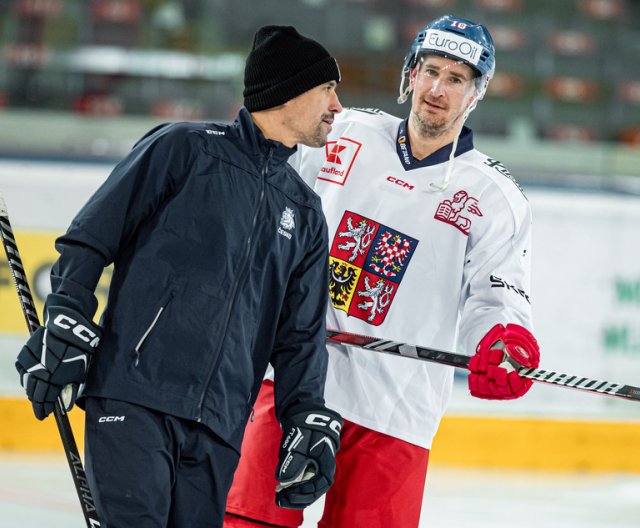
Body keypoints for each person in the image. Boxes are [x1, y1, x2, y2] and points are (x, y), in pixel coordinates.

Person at [14, 25, 345, 527]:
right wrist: (65, 314)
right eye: (327, 90)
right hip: (135, 396)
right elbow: (90, 238)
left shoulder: (304, 211)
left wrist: (306, 416)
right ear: (289, 92)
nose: (337, 107)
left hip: (219, 425)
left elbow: (300, 338)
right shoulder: (185, 149)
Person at [224, 15, 540, 528]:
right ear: (410, 75)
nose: (437, 89)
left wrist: (503, 340)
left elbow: (497, 295)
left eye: (456, 79)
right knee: (244, 520)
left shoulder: (494, 196)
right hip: (293, 371)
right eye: (430, 71)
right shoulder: (344, 132)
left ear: (476, 93)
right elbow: (265, 195)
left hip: (397, 402)